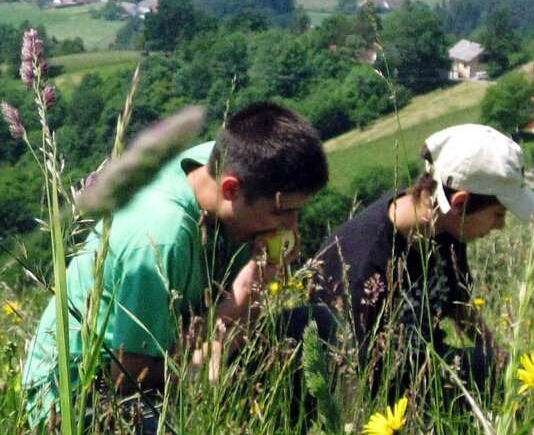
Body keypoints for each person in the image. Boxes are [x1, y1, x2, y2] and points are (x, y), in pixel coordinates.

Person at [22, 102, 330, 432]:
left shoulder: (226, 162)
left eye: (299, 212)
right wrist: (242, 300)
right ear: (230, 189)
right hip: (82, 392)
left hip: (170, 350)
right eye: (282, 212)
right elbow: (129, 374)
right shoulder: (162, 236)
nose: (292, 229)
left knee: (314, 326)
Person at [308, 123, 534, 402]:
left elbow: (458, 305)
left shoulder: (445, 231)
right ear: (460, 203)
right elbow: (354, 381)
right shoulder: (363, 266)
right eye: (498, 214)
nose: (501, 226)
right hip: (387, 397)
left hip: (434, 370)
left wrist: (503, 358)